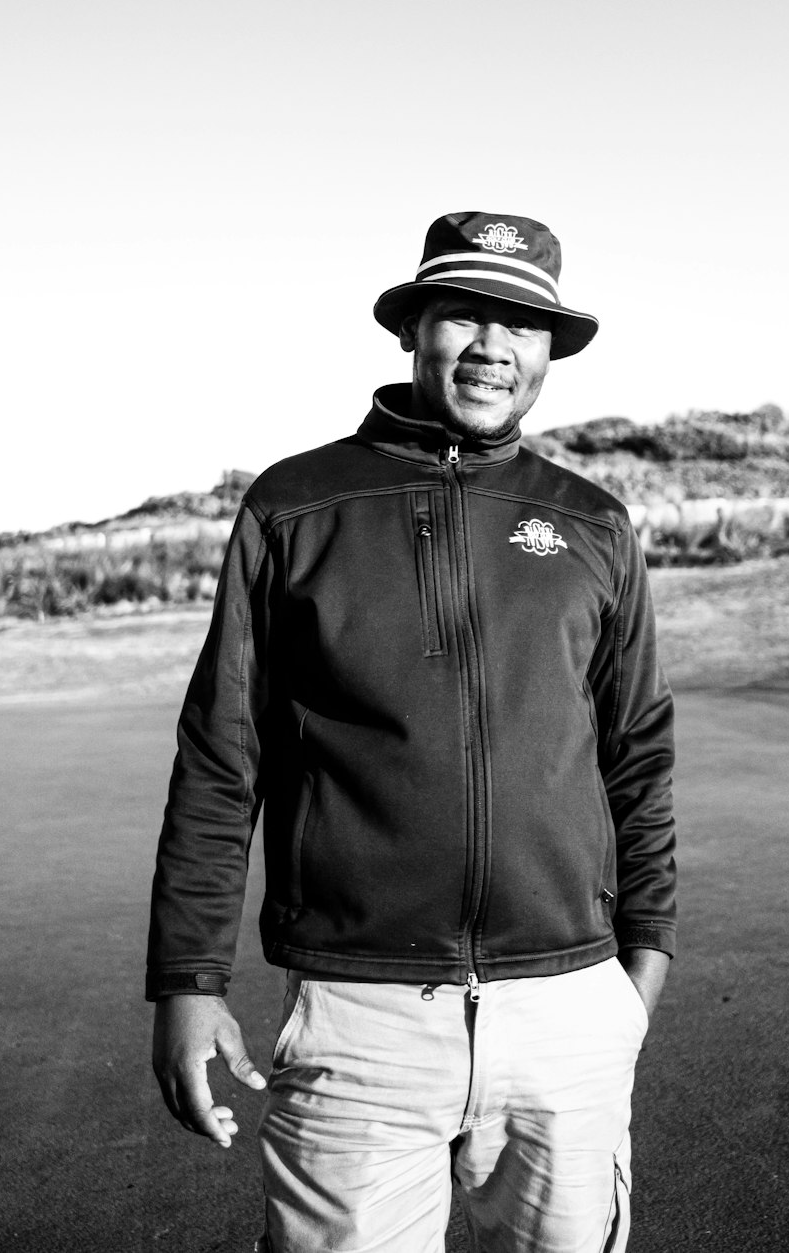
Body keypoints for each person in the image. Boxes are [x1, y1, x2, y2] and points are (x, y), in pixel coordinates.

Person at [147, 211, 677, 1252]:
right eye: (464, 314)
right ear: (411, 329)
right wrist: (186, 982)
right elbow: (221, 758)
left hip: (568, 1010)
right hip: (360, 1020)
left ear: (550, 352)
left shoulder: (593, 523)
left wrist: (642, 965)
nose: (492, 346)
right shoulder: (295, 507)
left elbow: (638, 753)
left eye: (522, 324)